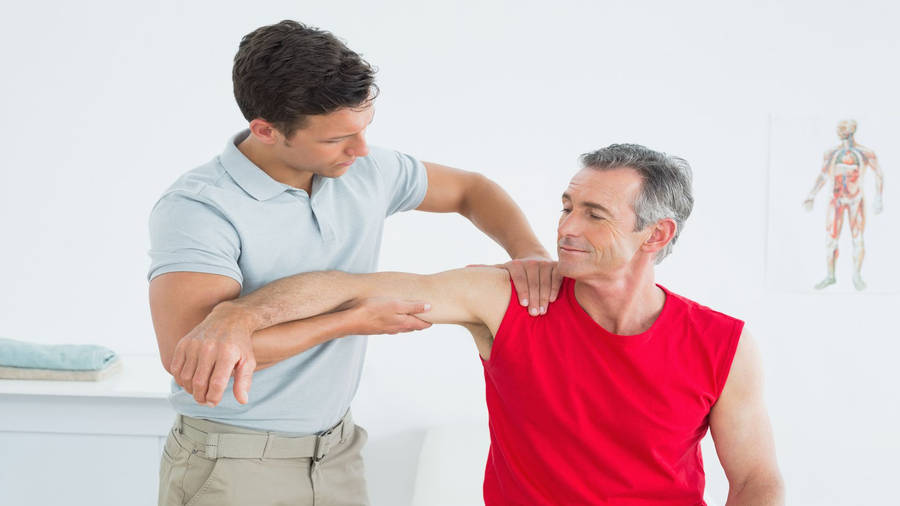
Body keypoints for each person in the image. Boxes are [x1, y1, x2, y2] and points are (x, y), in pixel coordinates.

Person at [174, 143, 785, 505]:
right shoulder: (507, 299)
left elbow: (756, 479)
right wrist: (238, 312)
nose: (566, 227)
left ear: (656, 235)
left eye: (594, 214)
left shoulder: (723, 343)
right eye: (566, 206)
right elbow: (353, 288)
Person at [149, 20, 559, 506]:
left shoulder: (363, 168)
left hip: (336, 449)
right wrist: (350, 321)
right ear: (265, 130)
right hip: (234, 461)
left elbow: (472, 190)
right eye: (336, 139)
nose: (360, 149)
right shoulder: (200, 207)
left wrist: (529, 252)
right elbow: (192, 356)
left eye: (364, 128)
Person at [803, 119, 884, 290]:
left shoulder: (865, 153)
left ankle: (856, 276)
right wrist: (812, 194)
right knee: (831, 239)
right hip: (836, 199)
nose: (842, 135)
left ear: (851, 132)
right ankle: (830, 275)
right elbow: (823, 175)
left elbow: (879, 174)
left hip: (856, 199)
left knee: (858, 238)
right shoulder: (831, 153)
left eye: (844, 132)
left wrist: (879, 197)